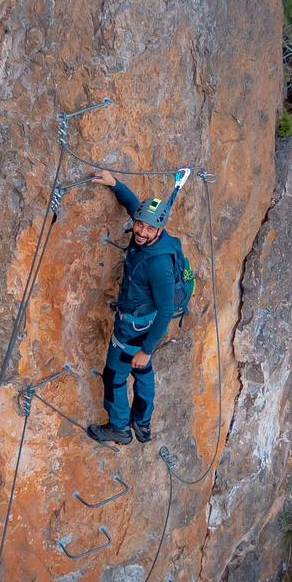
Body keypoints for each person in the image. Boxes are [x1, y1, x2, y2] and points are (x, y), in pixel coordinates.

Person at [85, 167, 181, 445]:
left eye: (149, 229)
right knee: (142, 370)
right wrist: (114, 183)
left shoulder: (159, 265)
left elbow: (167, 310)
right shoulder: (153, 238)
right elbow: (133, 205)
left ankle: (119, 428)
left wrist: (147, 349)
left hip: (133, 328)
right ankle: (142, 423)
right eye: (139, 224)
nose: (141, 231)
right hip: (145, 319)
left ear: (160, 230)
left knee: (115, 375)